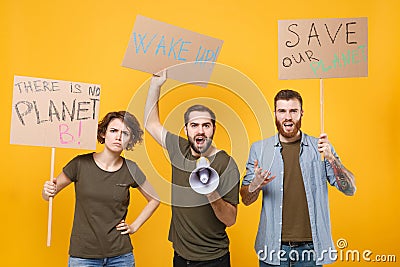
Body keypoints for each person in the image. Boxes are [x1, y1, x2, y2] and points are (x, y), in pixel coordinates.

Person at [240, 89, 356, 266]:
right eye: (282, 111)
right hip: (272, 248)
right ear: (275, 113)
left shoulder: (320, 148)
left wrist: (332, 158)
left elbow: (350, 189)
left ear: (301, 113)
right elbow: (246, 199)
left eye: (293, 111)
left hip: (311, 249)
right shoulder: (260, 149)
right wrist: (255, 184)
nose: (288, 117)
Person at [144, 70, 240, 267]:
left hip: (214, 259)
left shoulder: (227, 164)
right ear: (186, 129)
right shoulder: (178, 149)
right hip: (181, 257)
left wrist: (212, 194)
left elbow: (230, 220)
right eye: (194, 125)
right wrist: (155, 85)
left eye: (206, 125)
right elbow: (151, 123)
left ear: (214, 129)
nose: (200, 130)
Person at [42, 111, 160, 267]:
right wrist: (47, 190)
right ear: (104, 133)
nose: (118, 137)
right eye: (113, 131)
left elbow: (155, 199)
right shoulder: (80, 164)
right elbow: (49, 194)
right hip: (83, 256)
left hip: (120, 256)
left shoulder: (131, 169)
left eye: (125, 133)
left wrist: (133, 226)